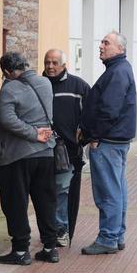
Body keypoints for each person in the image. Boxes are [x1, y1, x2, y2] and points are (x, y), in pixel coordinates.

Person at [0, 52, 60, 265]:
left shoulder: (10, 87)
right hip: (46, 153)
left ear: (7, 71)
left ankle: (20, 251)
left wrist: (32, 133)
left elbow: (6, 119)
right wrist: (38, 134)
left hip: (17, 155)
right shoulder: (45, 83)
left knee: (15, 202)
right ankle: (50, 248)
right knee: (46, 201)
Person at [79, 32, 136, 256]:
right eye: (101, 41)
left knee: (108, 192)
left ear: (119, 49)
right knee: (117, 190)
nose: (101, 46)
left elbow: (109, 110)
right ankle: (116, 235)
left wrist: (93, 136)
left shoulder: (117, 72)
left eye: (106, 43)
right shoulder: (119, 69)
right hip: (115, 140)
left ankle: (108, 238)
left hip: (108, 142)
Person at [43, 49, 90, 247]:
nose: (50, 67)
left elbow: (90, 114)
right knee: (45, 191)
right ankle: (50, 229)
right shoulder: (39, 85)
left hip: (67, 152)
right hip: (42, 149)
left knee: (62, 190)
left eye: (55, 63)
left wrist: (83, 134)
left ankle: (61, 230)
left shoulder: (78, 86)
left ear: (64, 65)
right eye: (47, 62)